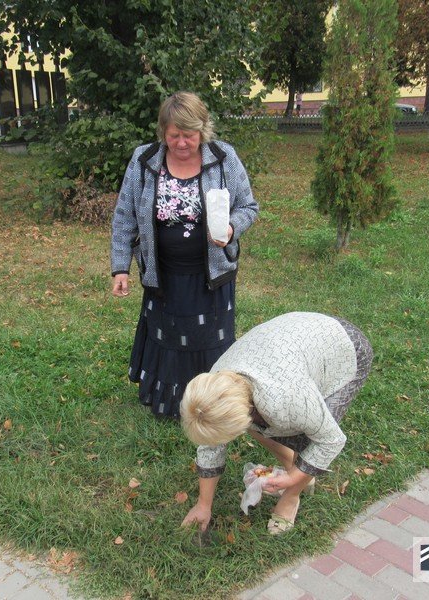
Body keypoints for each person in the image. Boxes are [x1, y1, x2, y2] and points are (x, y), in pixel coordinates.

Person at [110, 92, 259, 419]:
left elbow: (248, 207)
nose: (181, 143)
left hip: (212, 275)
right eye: (174, 135)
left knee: (209, 338)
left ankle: (214, 404)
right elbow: (124, 216)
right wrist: (120, 267)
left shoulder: (224, 158)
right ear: (163, 132)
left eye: (188, 135)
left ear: (202, 130)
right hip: (163, 274)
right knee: (167, 335)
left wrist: (231, 228)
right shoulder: (144, 160)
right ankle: (169, 402)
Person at [180, 312, 373, 534]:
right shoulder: (215, 387)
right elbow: (211, 445)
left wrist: (293, 478)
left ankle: (291, 498)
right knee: (261, 427)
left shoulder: (288, 400)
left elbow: (330, 440)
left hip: (344, 348)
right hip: (295, 340)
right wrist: (203, 505)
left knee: (307, 438)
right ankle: (299, 470)